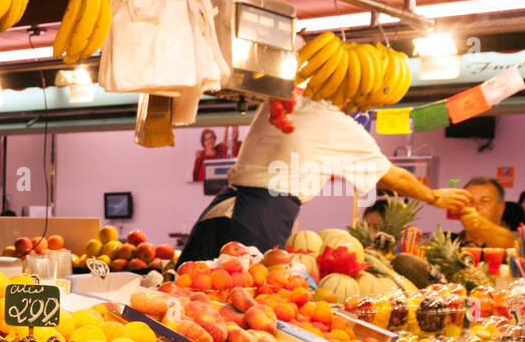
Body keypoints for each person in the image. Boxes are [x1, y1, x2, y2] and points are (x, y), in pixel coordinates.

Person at [179, 96, 470, 263]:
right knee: (232, 312)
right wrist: (433, 197)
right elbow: (394, 177)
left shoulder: (287, 101)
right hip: (260, 218)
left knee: (193, 298)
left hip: (222, 211)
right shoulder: (336, 124)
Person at [458, 177, 517, 247]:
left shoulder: (518, 244)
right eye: (470, 202)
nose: (475, 208)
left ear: (501, 209)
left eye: (485, 201)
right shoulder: (449, 243)